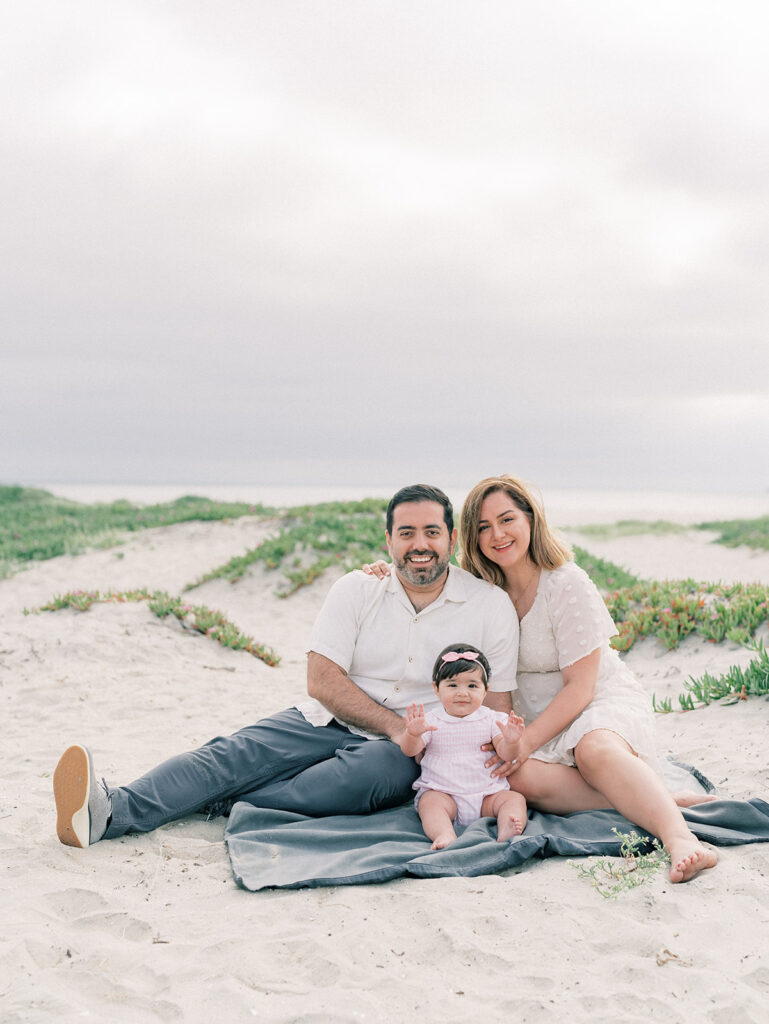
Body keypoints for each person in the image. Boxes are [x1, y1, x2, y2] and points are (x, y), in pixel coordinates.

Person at [54, 484, 519, 849]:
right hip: (332, 717)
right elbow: (321, 680)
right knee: (233, 754)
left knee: (364, 777)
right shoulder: (357, 589)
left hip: (406, 750)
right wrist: (394, 725)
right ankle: (110, 810)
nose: (420, 545)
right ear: (389, 540)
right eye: (407, 533)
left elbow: (494, 709)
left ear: (452, 539)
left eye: (432, 532)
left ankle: (224, 798)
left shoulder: (487, 605)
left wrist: (445, 756)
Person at [364, 474, 718, 884]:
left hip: (592, 703)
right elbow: (426, 580)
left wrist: (526, 743)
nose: (496, 534)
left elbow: (581, 687)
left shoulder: (566, 583)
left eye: (507, 519)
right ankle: (658, 800)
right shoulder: (483, 589)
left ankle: (680, 839)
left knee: (594, 751)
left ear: (532, 520)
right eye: (482, 527)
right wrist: (382, 570)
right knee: (511, 775)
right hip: (529, 718)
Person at [400, 643, 527, 849]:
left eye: (472, 686)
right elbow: (410, 750)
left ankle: (507, 827)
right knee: (429, 804)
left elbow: (505, 753)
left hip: (487, 793)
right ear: (436, 689)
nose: (462, 693)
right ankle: (443, 833)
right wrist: (412, 734)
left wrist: (512, 741)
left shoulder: (492, 719)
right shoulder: (431, 721)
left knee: (513, 798)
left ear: (485, 691)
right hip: (444, 793)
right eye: (452, 685)